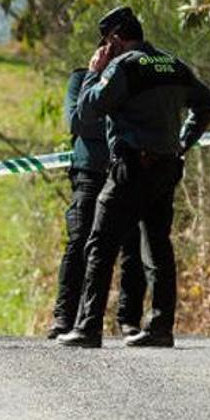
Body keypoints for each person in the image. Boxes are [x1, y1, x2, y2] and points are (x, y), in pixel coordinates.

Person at [58, 6, 210, 348]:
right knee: (158, 246)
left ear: (115, 38)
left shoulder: (122, 67)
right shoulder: (173, 64)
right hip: (166, 167)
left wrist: (93, 72)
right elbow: (208, 103)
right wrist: (183, 142)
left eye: (107, 41)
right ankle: (161, 327)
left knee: (100, 243)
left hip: (132, 168)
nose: (105, 48)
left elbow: (87, 111)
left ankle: (88, 328)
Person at [48, 68, 146, 339]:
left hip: (125, 169)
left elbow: (140, 122)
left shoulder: (132, 76)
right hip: (89, 169)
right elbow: (78, 122)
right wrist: (118, 119)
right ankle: (64, 317)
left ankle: (129, 321)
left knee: (132, 245)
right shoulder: (81, 78)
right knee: (79, 239)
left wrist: (103, 116)